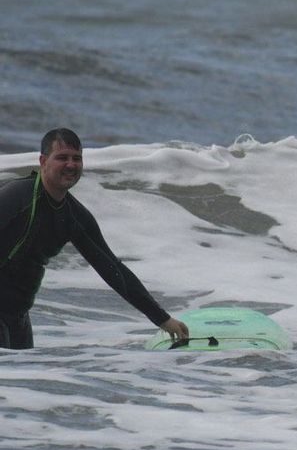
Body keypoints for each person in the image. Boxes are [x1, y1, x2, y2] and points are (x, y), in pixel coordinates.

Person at [0, 128, 188, 349]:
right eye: (62, 157)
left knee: (23, 371)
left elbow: (113, 270)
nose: (70, 165)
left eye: (76, 158)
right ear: (43, 161)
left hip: (17, 316)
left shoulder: (74, 216)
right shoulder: (16, 197)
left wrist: (162, 319)